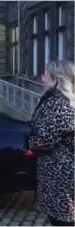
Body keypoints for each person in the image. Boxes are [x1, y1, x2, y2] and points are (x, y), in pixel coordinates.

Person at [26, 60, 75, 226]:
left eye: (45, 73)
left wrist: (30, 141)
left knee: (63, 220)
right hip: (65, 171)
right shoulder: (67, 101)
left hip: (60, 174)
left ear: (56, 78)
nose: (42, 76)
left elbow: (45, 139)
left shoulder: (56, 103)